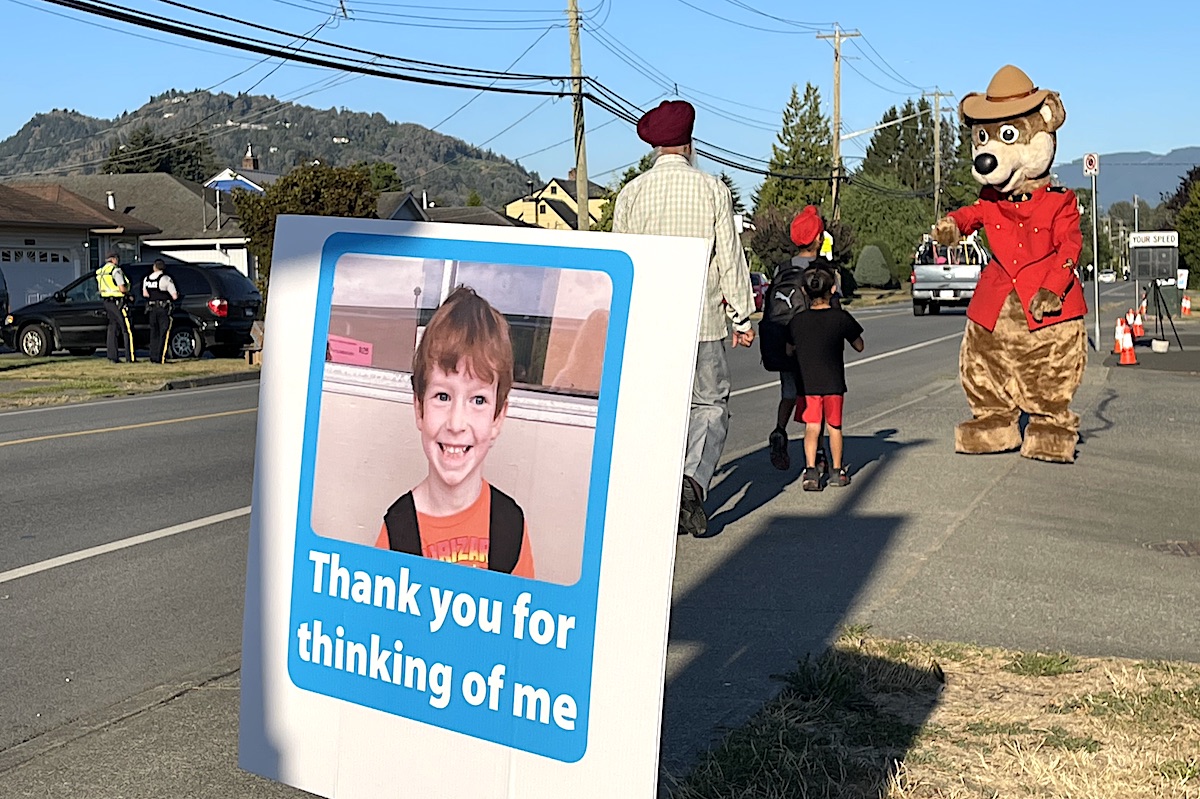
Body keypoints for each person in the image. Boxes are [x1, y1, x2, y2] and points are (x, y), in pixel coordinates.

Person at [612, 99, 755, 538]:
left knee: (657, 409)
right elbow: (729, 258)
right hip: (702, 322)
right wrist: (742, 317)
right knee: (709, 404)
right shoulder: (713, 189)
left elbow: (622, 261)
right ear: (690, 144)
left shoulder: (631, 194)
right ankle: (692, 481)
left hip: (648, 325)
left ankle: (657, 497)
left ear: (655, 147)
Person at [374, 286, 534, 578]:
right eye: (443, 396)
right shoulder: (397, 530)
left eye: (478, 400)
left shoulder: (510, 525)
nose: (456, 423)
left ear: (498, 417)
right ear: (419, 409)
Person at [761, 206, 838, 473]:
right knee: (815, 398)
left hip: (783, 340)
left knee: (789, 393)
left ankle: (779, 431)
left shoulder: (782, 269)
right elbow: (832, 310)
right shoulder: (822, 270)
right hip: (812, 348)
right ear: (818, 238)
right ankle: (817, 453)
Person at [788, 267, 864, 491]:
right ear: (832, 290)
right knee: (834, 427)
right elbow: (859, 345)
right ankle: (837, 471)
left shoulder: (797, 321)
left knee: (812, 427)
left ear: (804, 291)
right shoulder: (840, 318)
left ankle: (811, 471)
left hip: (808, 383)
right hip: (833, 383)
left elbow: (788, 350)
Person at [96, 250, 135, 363]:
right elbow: (122, 288)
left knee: (112, 328)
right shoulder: (115, 270)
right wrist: (129, 294)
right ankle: (130, 357)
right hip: (118, 302)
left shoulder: (101, 271)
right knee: (126, 328)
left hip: (107, 301)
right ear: (113, 259)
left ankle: (112, 356)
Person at [142, 259, 178, 364]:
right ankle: (161, 357)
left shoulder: (147, 279)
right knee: (164, 332)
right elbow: (174, 296)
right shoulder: (166, 279)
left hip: (152, 309)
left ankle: (153, 356)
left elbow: (145, 294)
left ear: (155, 267)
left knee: (154, 333)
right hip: (163, 309)